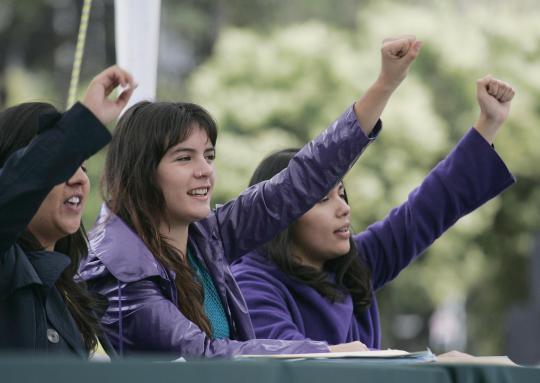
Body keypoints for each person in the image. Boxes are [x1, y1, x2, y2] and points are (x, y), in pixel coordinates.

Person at [78, 36, 421, 359]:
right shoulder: (117, 268)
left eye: (209, 156)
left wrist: (384, 85)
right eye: (185, 158)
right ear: (142, 171)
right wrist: (326, 353)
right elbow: (202, 355)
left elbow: (298, 182)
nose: (205, 171)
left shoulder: (204, 237)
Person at [231, 75, 516, 349]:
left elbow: (427, 207)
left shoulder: (354, 266)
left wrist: (488, 123)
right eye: (322, 199)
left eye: (342, 194)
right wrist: (370, 358)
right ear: (278, 214)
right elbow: (287, 357)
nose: (344, 208)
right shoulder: (249, 283)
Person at [0, 66, 136, 357]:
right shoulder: (7, 270)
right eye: (62, 166)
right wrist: (83, 123)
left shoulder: (74, 292)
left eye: (84, 165)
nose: (79, 178)